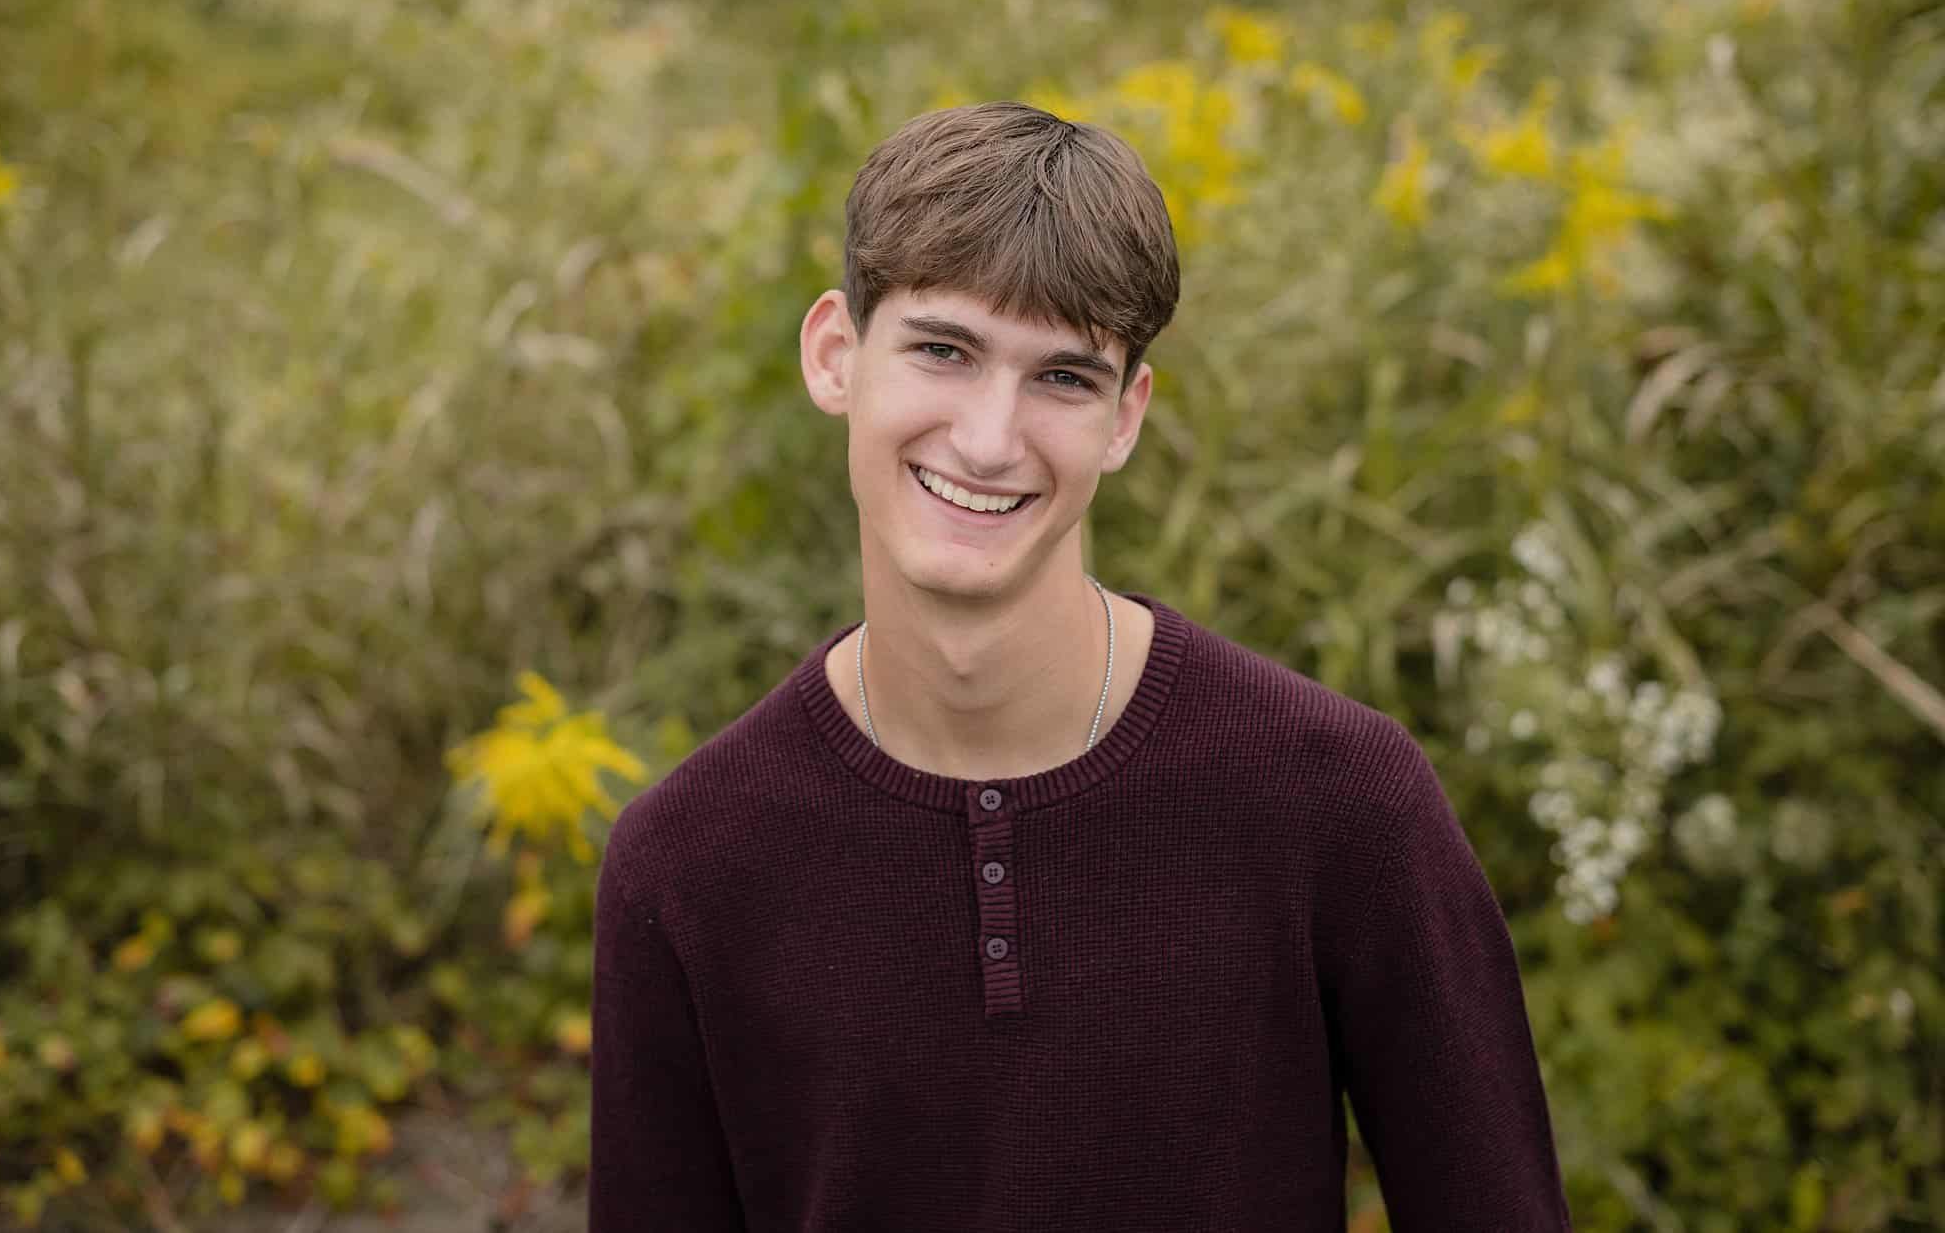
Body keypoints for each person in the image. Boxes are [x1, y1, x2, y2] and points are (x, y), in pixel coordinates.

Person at [587, 101, 1572, 1231]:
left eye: (1061, 376)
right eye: (942, 350)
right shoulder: (687, 861)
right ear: (833, 357)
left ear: (1123, 418)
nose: (990, 438)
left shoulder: (1338, 802)